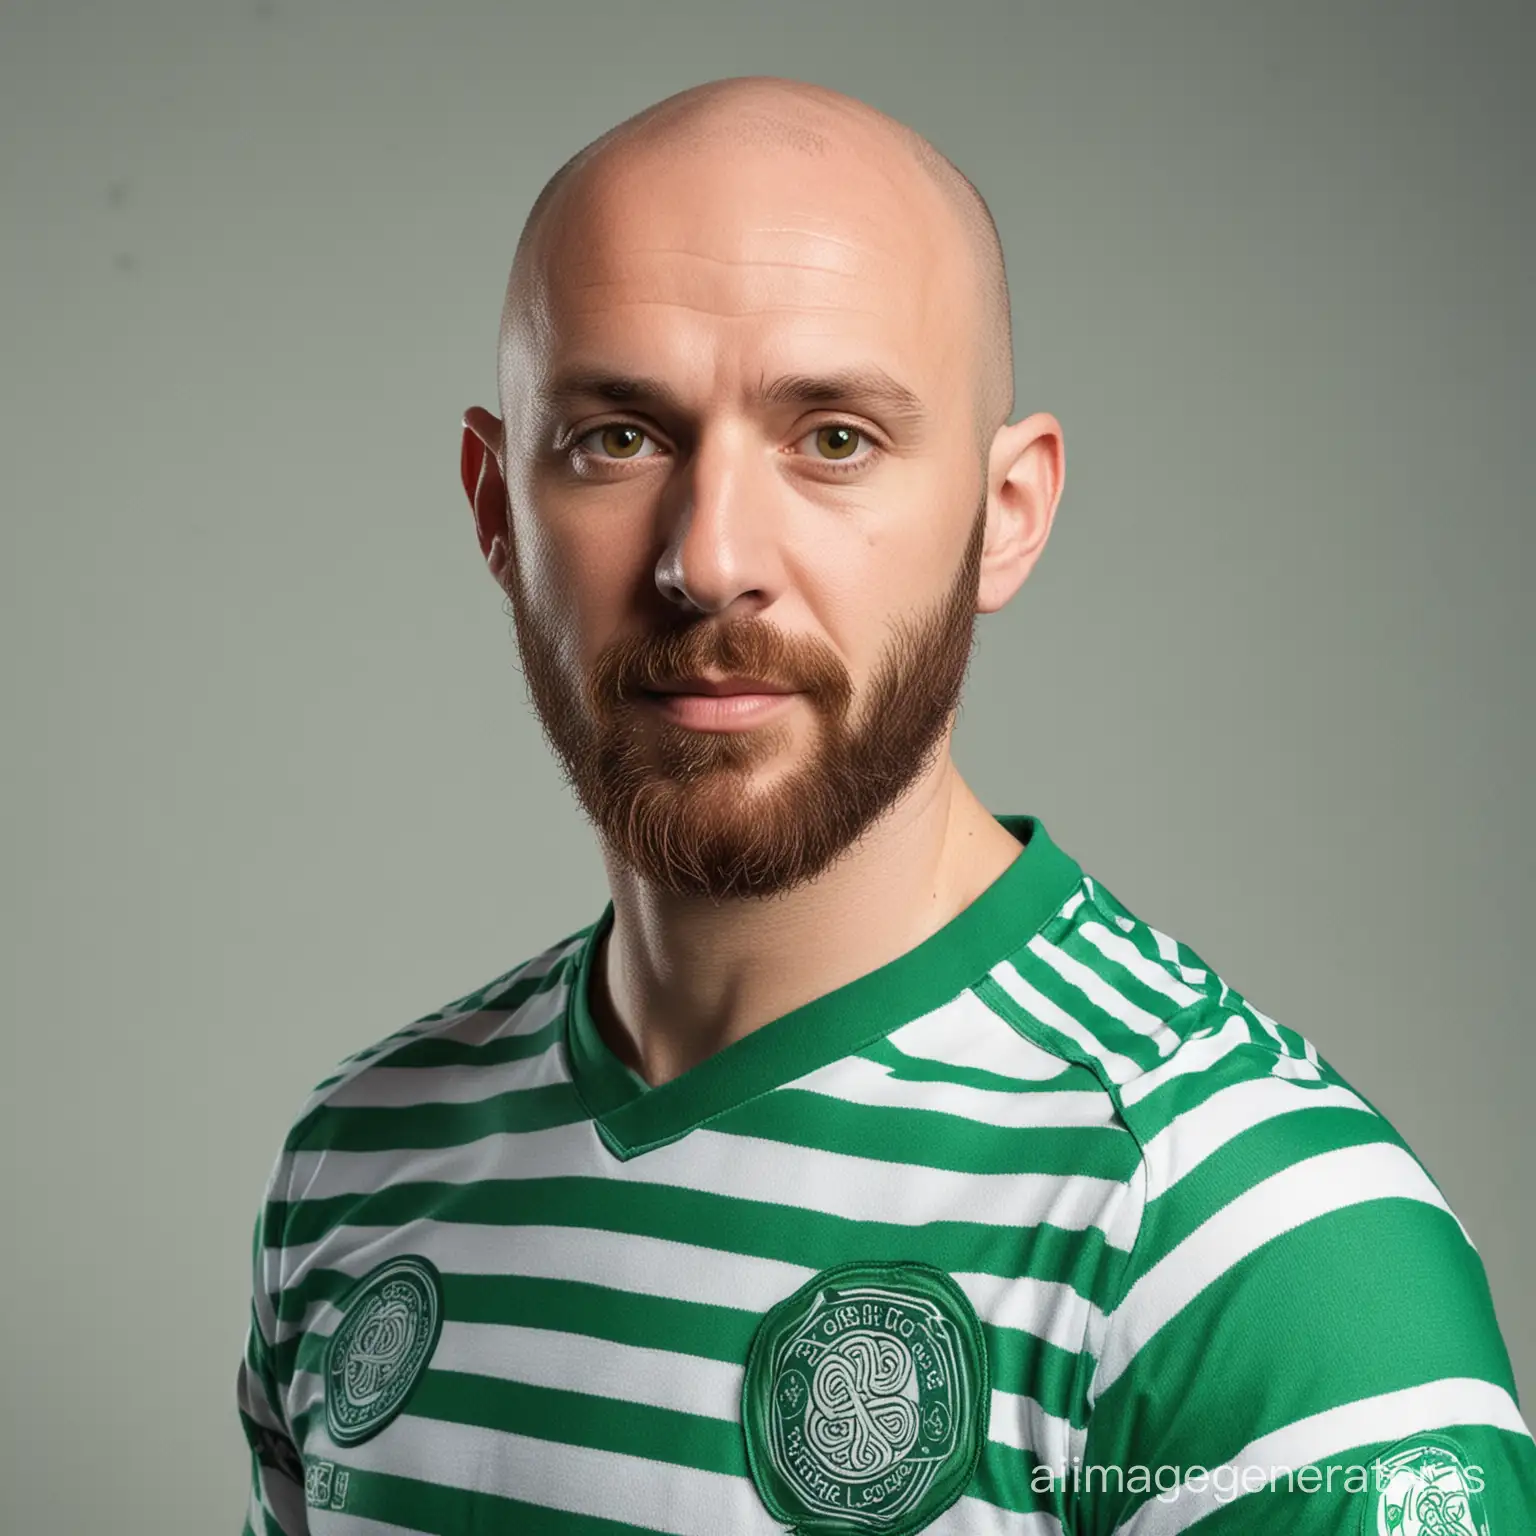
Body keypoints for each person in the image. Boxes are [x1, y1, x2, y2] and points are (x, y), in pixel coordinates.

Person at [236, 74, 1535, 1536]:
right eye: (617, 437)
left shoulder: (1251, 1250)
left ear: (1009, 515)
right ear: (495, 508)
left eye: (835, 437)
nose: (710, 557)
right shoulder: (356, 1161)